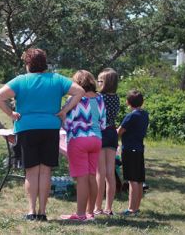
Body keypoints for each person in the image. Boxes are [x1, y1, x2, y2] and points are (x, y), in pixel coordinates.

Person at [0, 48, 84, 221]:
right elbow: (79, 91)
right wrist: (64, 110)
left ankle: (30, 211)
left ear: (28, 64)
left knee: (31, 172)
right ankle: (42, 212)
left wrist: (11, 114)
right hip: (50, 129)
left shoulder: (21, 81)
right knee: (45, 172)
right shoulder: (56, 79)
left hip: (26, 129)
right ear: (45, 63)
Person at [60, 70, 106, 222]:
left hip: (78, 140)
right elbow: (103, 123)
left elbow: (68, 122)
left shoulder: (74, 99)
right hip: (97, 140)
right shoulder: (100, 98)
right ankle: (90, 213)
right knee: (92, 176)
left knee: (81, 179)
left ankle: (80, 215)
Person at [117, 90, 149, 216]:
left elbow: (119, 131)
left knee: (132, 180)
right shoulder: (144, 114)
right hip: (139, 149)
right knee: (140, 179)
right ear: (142, 102)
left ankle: (131, 209)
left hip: (129, 149)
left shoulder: (131, 116)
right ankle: (137, 207)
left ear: (128, 102)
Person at [94, 68, 120, 216]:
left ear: (105, 83)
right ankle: (108, 208)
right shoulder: (116, 97)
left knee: (100, 172)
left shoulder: (99, 97)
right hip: (112, 133)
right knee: (111, 172)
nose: (98, 82)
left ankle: (97, 207)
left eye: (100, 80)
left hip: (100, 132)